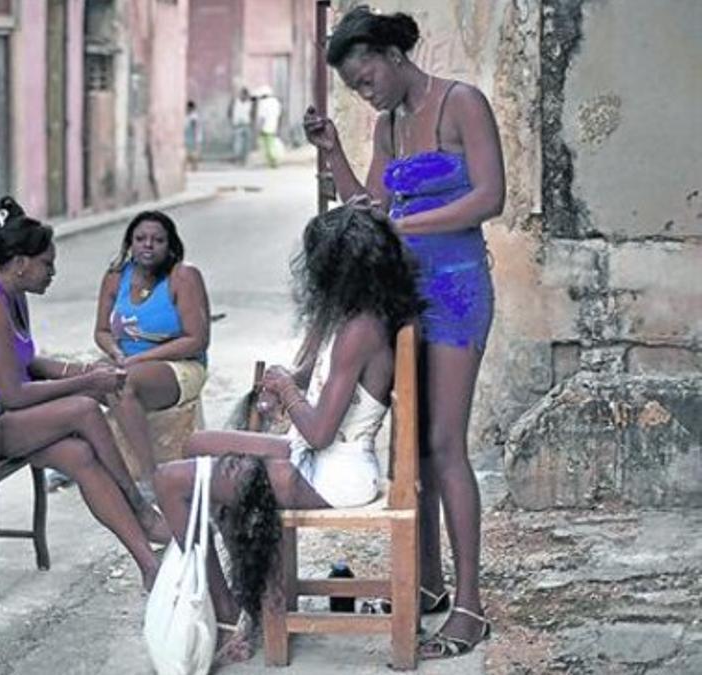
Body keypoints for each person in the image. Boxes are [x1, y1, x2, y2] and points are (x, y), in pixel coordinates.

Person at [301, 5, 506, 659]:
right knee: (409, 451)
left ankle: (471, 605)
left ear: (392, 55)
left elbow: (489, 198)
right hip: (401, 297)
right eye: (356, 89)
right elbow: (372, 205)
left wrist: (403, 229)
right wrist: (333, 151)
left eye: (367, 80)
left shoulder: (461, 104)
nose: (367, 93)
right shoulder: (387, 125)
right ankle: (427, 585)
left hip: (455, 289)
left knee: (446, 444)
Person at [154, 203, 424, 667]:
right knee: (199, 448)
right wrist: (287, 381)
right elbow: (318, 380)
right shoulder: (358, 314)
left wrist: (286, 392)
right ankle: (244, 588)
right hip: (323, 460)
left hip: (334, 474)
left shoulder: (360, 329)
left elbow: (318, 431)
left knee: (170, 480)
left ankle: (228, 613)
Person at [0, 197, 168, 590]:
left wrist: (85, 370)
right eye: (47, 263)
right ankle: (139, 505)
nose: (52, 272)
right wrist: (87, 383)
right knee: (85, 410)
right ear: (20, 263)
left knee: (81, 455)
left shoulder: (11, 294)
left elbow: (28, 361)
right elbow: (15, 393)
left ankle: (148, 564)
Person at [93, 211, 210, 498]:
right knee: (75, 381)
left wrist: (136, 360)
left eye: (158, 240)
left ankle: (150, 478)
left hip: (180, 366)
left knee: (123, 383)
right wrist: (116, 352)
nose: (148, 245)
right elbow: (101, 331)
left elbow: (197, 340)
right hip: (127, 362)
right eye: (140, 239)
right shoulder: (115, 278)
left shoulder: (183, 276)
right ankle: (83, 462)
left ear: (170, 246)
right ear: (129, 244)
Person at [254, 86, 283, 169]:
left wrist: (258, 128)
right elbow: (279, 115)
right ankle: (273, 161)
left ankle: (272, 161)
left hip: (265, 127)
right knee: (272, 144)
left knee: (268, 146)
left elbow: (262, 117)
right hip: (274, 126)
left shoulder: (263, 103)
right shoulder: (275, 102)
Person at [229, 87, 254, 164]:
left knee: (247, 143)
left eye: (245, 95)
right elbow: (229, 112)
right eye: (243, 94)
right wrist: (232, 121)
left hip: (246, 124)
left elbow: (252, 113)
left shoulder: (249, 103)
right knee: (237, 143)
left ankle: (245, 159)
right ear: (240, 94)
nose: (244, 96)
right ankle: (237, 159)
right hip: (237, 124)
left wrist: (251, 122)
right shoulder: (235, 102)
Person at [185, 101, 203, 171]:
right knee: (191, 153)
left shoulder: (193, 116)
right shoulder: (191, 116)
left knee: (193, 153)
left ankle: (194, 166)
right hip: (192, 137)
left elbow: (194, 127)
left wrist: (195, 138)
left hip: (193, 138)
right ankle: (193, 166)